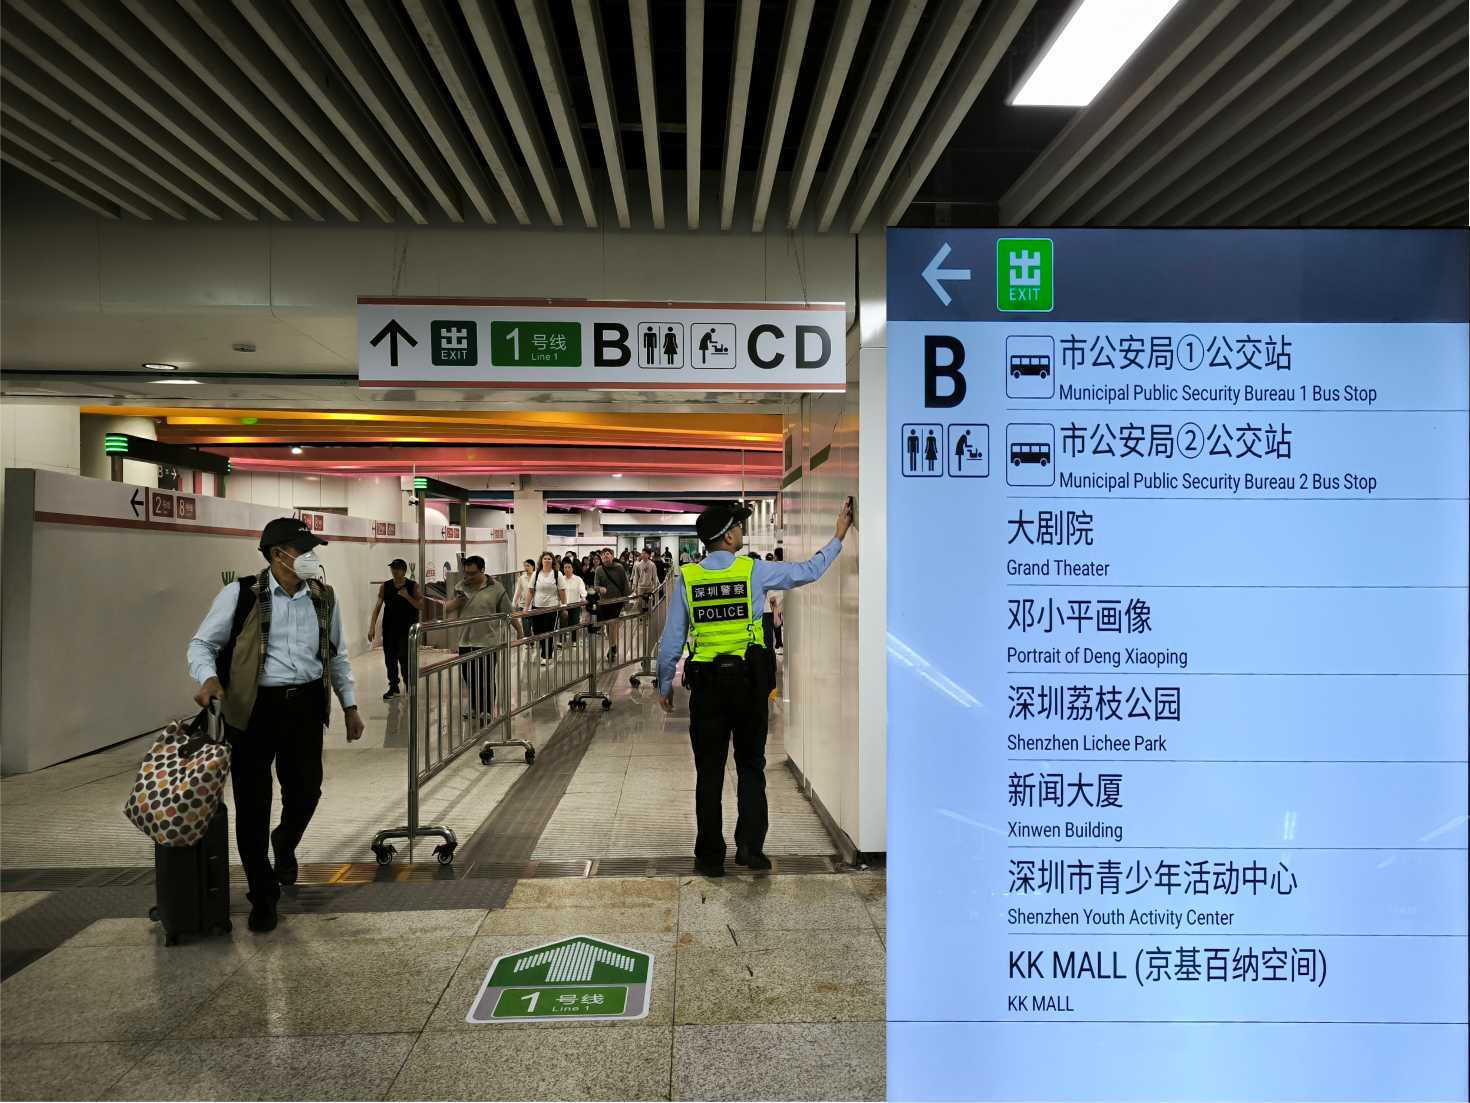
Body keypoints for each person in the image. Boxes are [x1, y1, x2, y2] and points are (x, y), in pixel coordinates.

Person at [657, 497, 852, 877]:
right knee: (750, 766)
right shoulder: (753, 571)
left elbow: (672, 641)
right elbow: (807, 571)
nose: (741, 531)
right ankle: (750, 849)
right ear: (728, 537)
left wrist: (665, 683)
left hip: (707, 689)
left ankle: (710, 857)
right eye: (738, 527)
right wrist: (838, 537)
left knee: (709, 772)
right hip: (747, 685)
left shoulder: (688, 579)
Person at [188, 517, 364, 933]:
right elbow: (202, 643)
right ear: (277, 555)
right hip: (253, 710)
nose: (311, 558)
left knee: (306, 791)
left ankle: (284, 841)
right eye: (304, 550)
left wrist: (350, 705)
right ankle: (262, 895)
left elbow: (336, 654)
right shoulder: (241, 594)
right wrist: (207, 678)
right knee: (253, 806)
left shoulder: (323, 597)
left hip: (305, 707)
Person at [445, 555, 512, 721]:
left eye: (472, 573)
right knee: (469, 677)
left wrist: (519, 631)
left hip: (487, 640)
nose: (468, 577)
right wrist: (456, 602)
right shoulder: (460, 586)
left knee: (486, 677)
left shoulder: (496, 588)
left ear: (482, 570)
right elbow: (449, 608)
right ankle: (475, 707)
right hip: (465, 639)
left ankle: (487, 709)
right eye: (466, 573)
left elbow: (508, 612)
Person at [367, 558, 424, 700]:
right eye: (393, 568)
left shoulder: (413, 586)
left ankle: (409, 685)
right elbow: (378, 606)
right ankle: (393, 686)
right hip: (389, 628)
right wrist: (372, 626)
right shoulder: (385, 586)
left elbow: (421, 605)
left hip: (407, 629)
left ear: (404, 571)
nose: (394, 571)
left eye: (397, 569)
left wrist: (407, 596)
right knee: (390, 659)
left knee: (404, 658)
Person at [524, 551, 564, 666]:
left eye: (549, 559)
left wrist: (564, 605)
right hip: (537, 607)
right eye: (545, 558)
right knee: (538, 631)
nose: (547, 560)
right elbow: (530, 591)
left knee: (548, 631)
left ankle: (546, 655)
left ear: (552, 561)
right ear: (541, 561)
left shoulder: (557, 574)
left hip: (552, 608)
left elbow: (562, 591)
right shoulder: (536, 574)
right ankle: (546, 649)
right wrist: (526, 607)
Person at [594, 548, 631, 661]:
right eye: (603, 555)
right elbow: (595, 586)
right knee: (608, 625)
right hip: (604, 602)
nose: (605, 557)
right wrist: (600, 589)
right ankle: (613, 645)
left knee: (612, 623)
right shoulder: (599, 570)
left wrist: (626, 601)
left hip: (616, 601)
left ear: (612, 556)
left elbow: (625, 584)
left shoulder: (619, 568)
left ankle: (612, 648)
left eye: (607, 554)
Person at [560, 557, 587, 644]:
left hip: (575, 604)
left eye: (569, 567)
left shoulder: (578, 579)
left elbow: (582, 590)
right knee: (563, 623)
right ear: (563, 569)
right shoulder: (561, 580)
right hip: (564, 605)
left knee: (575, 622)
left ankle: (574, 640)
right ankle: (562, 640)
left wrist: (583, 597)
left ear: (572, 569)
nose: (567, 569)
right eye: (565, 567)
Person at [512, 559, 535, 637]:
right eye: (525, 566)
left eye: (528, 566)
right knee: (526, 628)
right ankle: (529, 642)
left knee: (535, 627)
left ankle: (534, 640)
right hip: (523, 606)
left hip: (534, 605)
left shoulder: (536, 577)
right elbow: (518, 591)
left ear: (533, 567)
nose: (526, 568)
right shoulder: (522, 578)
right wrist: (514, 603)